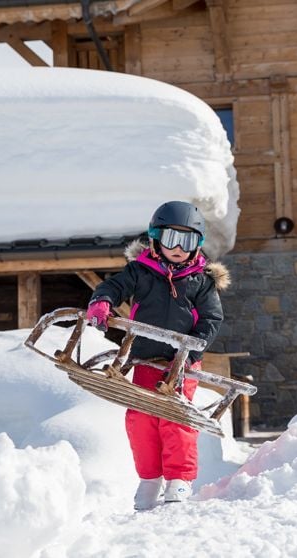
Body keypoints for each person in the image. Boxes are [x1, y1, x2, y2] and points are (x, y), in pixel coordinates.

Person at [83, 200, 229, 510]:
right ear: (155, 238)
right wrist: (102, 301)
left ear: (197, 245)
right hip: (145, 359)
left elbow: (211, 319)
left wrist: (194, 348)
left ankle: (178, 480)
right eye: (171, 238)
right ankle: (149, 479)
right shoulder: (140, 271)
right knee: (141, 417)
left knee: (174, 419)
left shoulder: (202, 281)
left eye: (187, 240)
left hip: (182, 363)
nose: (178, 248)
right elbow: (114, 286)